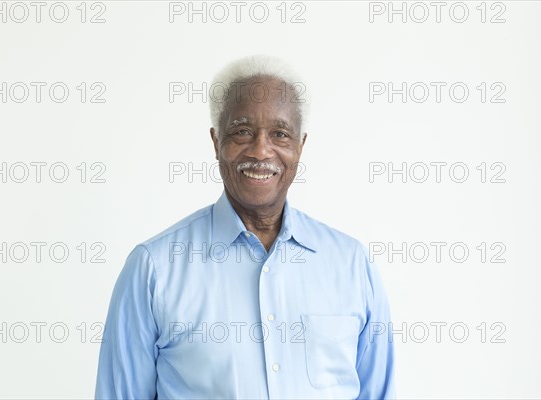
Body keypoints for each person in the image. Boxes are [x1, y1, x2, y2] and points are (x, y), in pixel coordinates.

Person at [95, 55, 395, 399]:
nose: (261, 150)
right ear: (216, 142)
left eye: (280, 134)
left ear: (300, 146)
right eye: (242, 132)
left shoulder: (351, 264)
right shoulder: (154, 268)